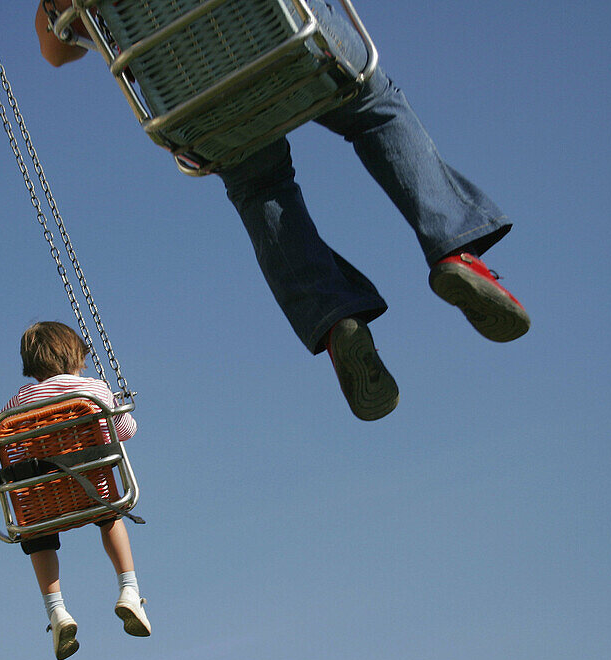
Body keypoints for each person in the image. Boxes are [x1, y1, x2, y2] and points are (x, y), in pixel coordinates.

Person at [34, 0, 531, 421]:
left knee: (259, 186)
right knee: (375, 107)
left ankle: (335, 321)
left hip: (195, 94)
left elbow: (53, 50)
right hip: (282, 37)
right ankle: (455, 252)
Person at [0, 321, 149, 660]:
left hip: (41, 501)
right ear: (76, 355)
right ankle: (129, 590)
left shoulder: (18, 402)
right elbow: (126, 429)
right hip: (93, 491)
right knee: (111, 516)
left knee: (37, 535)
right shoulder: (92, 391)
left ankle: (57, 611)